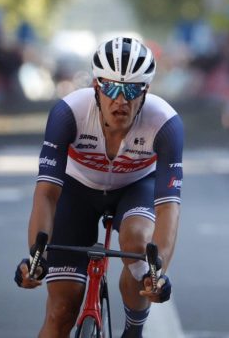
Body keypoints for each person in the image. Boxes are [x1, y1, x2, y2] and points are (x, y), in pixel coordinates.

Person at [15, 37, 182, 338]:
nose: (121, 99)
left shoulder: (166, 123)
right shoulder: (68, 113)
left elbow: (168, 205)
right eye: (112, 87)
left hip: (135, 187)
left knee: (137, 241)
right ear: (95, 87)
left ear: (146, 91)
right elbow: (47, 194)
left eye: (131, 89)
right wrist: (35, 258)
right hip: (77, 189)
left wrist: (158, 274)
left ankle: (133, 329)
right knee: (61, 311)